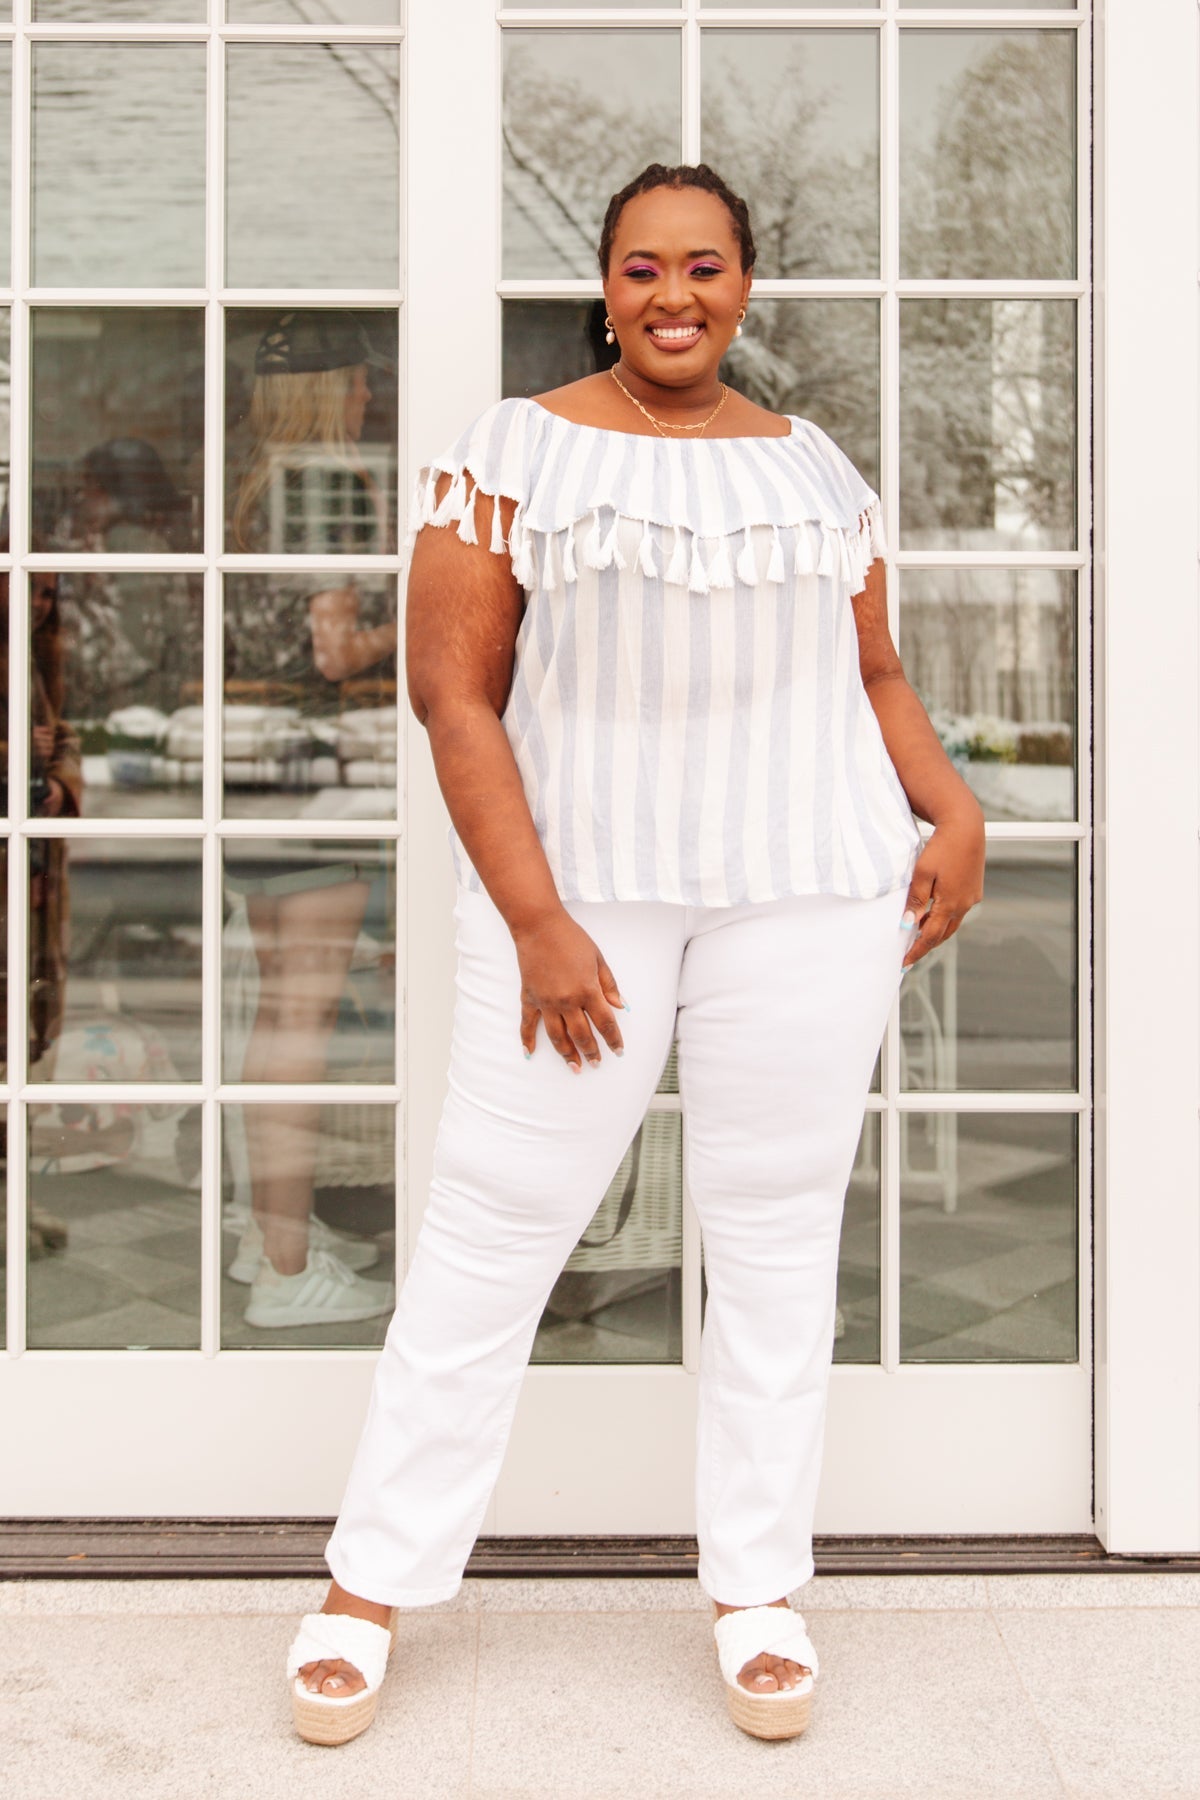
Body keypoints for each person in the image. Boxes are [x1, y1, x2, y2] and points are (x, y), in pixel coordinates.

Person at [285, 164, 985, 1745]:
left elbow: (872, 672)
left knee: (778, 1245)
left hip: (808, 896)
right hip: (581, 905)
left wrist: (952, 808)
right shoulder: (513, 453)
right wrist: (537, 920)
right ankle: (366, 1585)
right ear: (606, 288)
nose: (676, 295)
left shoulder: (814, 465)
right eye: (645, 267)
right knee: (490, 1229)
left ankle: (759, 1590)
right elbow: (453, 697)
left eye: (705, 266)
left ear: (746, 284)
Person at [225, 311, 398, 1330]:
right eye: (360, 380)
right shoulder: (328, 482)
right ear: (331, 390)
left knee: (275, 1008)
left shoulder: (254, 483)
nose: (371, 394)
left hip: (253, 773)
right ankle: (287, 1275)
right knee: (304, 1017)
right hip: (314, 779)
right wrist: (413, 612)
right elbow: (334, 652)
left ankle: (269, 1236)